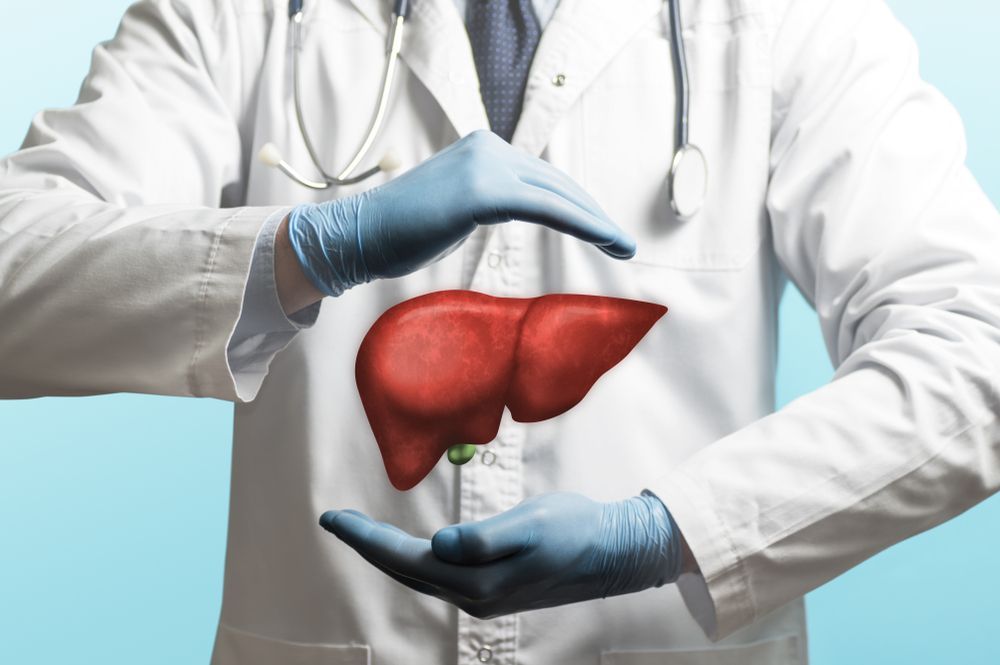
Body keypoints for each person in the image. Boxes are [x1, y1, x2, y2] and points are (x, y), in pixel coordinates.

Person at [1, 0, 998, 663]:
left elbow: (977, 345)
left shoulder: (785, 19)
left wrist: (664, 532)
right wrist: (308, 247)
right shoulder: (249, 13)